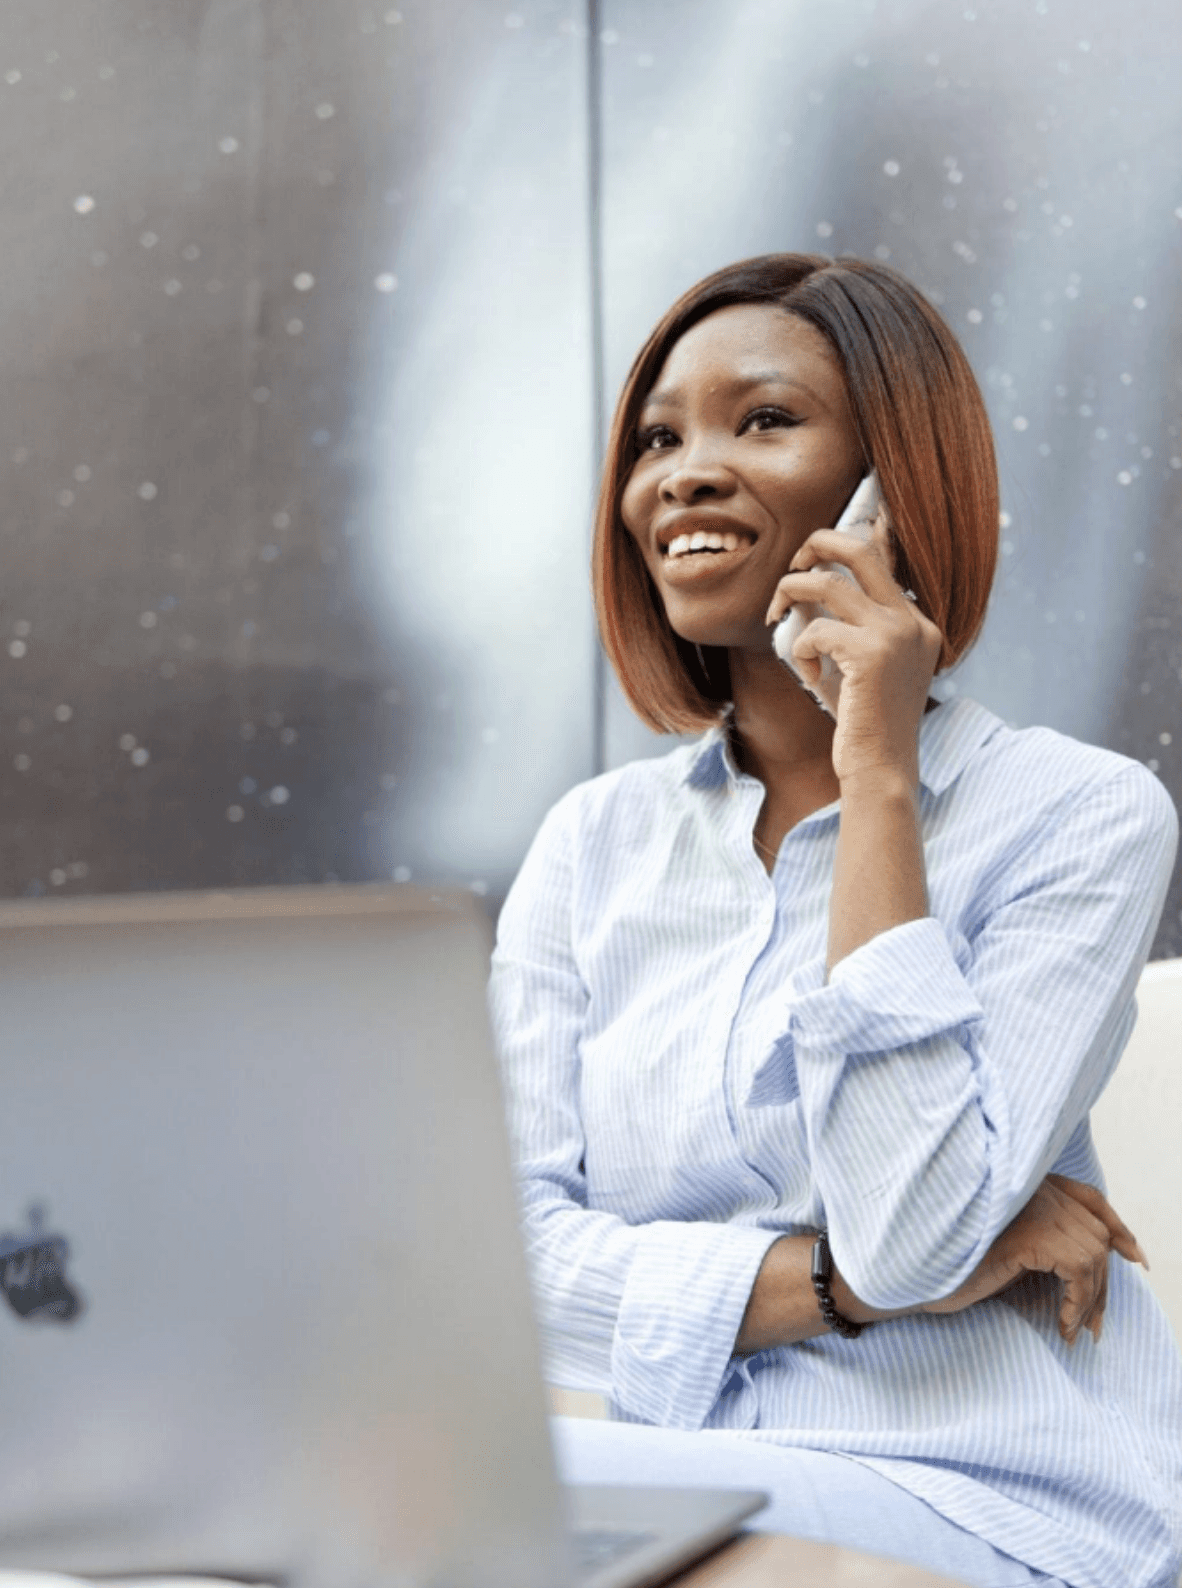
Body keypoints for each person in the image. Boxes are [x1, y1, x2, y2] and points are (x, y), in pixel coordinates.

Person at [488, 255, 1181, 1588]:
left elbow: (911, 1228)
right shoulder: (592, 849)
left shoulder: (1080, 815)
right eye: (656, 439)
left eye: (761, 421)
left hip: (996, 1495)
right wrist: (831, 1288)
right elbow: (509, 1267)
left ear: (890, 485)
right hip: (695, 1488)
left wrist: (876, 782)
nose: (682, 473)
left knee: (468, 1498)